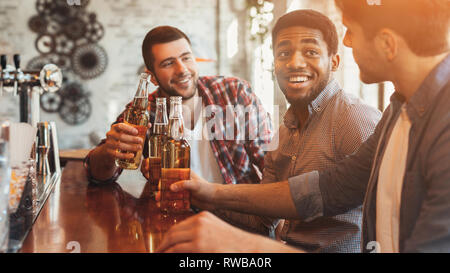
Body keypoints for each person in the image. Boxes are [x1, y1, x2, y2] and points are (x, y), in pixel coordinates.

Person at [157, 0, 450, 253]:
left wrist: (244, 247)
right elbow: (327, 189)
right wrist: (207, 193)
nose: (347, 42)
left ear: (388, 44)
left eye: (351, 31)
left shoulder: (437, 124)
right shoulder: (397, 111)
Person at [200, 9, 380, 253]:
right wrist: (199, 197)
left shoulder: (354, 118)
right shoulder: (284, 132)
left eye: (311, 52)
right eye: (284, 53)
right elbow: (262, 220)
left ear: (334, 62)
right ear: (274, 63)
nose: (294, 63)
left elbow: (390, 215)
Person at [84, 26, 272, 186]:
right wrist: (109, 152)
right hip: (177, 216)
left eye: (186, 58)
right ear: (152, 77)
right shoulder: (145, 110)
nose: (182, 70)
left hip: (239, 216)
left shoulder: (233, 92)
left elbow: (270, 161)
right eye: (168, 63)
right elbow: (98, 176)